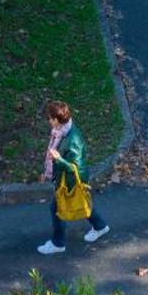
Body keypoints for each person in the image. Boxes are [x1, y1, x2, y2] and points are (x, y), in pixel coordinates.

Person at [38, 99, 107, 255]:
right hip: (66, 178)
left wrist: (58, 160)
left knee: (57, 209)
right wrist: (49, 171)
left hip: (71, 180)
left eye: (49, 118)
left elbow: (72, 167)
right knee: (82, 202)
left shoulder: (72, 139)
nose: (48, 121)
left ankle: (58, 243)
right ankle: (100, 226)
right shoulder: (62, 132)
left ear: (56, 119)